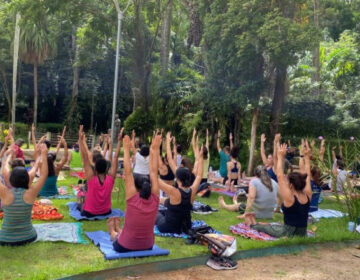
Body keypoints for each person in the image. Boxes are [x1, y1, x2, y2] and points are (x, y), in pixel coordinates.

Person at [108, 133, 161, 253]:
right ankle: (119, 230)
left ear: (136, 188)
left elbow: (127, 171)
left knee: (115, 236)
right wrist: (156, 150)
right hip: (148, 245)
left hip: (125, 246)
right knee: (127, 232)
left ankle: (113, 231)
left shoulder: (133, 199)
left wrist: (126, 149)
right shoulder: (155, 199)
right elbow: (153, 172)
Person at [250, 141, 312, 238]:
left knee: (266, 228)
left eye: (287, 182)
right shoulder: (308, 195)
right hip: (302, 233)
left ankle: (252, 225)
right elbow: (307, 175)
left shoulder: (290, 197)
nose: (285, 182)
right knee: (273, 225)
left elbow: (279, 175)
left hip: (288, 233)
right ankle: (254, 222)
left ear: (291, 185)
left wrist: (280, 157)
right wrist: (306, 157)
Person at [0, 144, 48, 246]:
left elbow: (4, 169)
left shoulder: (5, 193)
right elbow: (43, 174)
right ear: (27, 179)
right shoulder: (31, 193)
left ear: (10, 179)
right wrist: (43, 154)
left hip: (5, 239)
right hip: (28, 237)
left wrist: (8, 157)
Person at [156, 133, 204, 234]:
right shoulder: (192, 190)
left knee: (156, 213)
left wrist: (155, 149)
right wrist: (200, 158)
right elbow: (199, 175)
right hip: (186, 226)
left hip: (169, 227)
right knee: (165, 208)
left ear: (177, 179)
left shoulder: (174, 191)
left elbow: (156, 179)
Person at [77, 125, 121, 217]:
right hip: (106, 211)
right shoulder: (111, 178)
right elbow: (116, 157)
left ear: (95, 169)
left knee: (80, 203)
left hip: (89, 213)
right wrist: (119, 141)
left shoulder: (91, 178)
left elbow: (84, 157)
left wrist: (81, 140)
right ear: (106, 169)